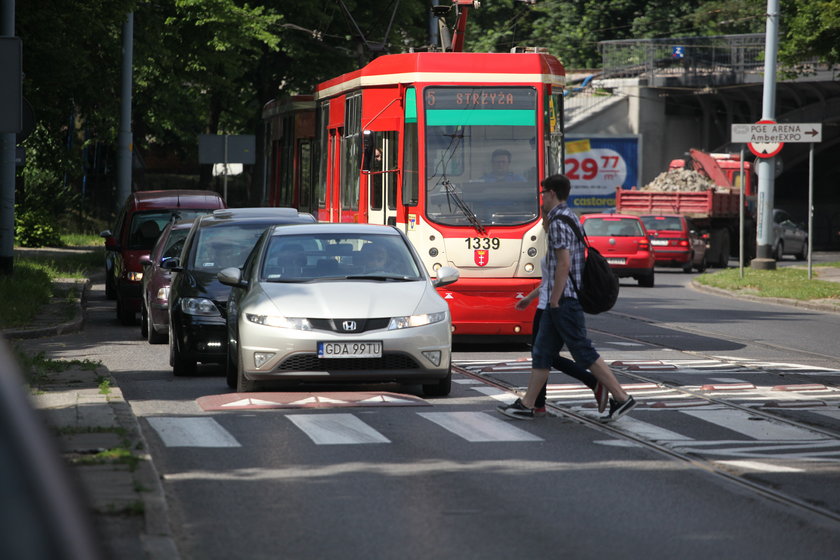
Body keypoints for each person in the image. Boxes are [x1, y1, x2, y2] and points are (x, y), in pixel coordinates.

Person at [498, 174, 636, 422]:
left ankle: (622, 397)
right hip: (558, 300)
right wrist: (533, 297)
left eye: (543, 194)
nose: (541, 199)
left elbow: (563, 265)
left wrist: (554, 301)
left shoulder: (560, 222)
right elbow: (556, 268)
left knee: (582, 351)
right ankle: (528, 404)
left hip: (562, 302)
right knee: (541, 353)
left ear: (551, 193)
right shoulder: (568, 217)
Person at [514, 213, 608, 416]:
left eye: (543, 219)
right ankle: (538, 403)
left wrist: (554, 302)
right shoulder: (553, 245)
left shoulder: (560, 243)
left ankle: (593, 382)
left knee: (546, 355)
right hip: (544, 304)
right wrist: (529, 298)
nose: (542, 223)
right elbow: (548, 280)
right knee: (544, 355)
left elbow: (560, 275)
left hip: (550, 307)